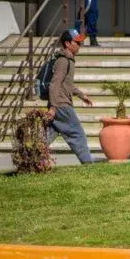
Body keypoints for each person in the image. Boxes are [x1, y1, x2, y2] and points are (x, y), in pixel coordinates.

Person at [45, 28, 96, 164]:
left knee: (47, 136)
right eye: (77, 42)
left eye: (80, 43)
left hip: (59, 103)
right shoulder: (63, 61)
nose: (79, 45)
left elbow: (66, 84)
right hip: (61, 105)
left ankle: (30, 157)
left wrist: (81, 95)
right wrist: (54, 108)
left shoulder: (68, 60)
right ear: (67, 44)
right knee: (77, 134)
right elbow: (54, 85)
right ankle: (89, 164)